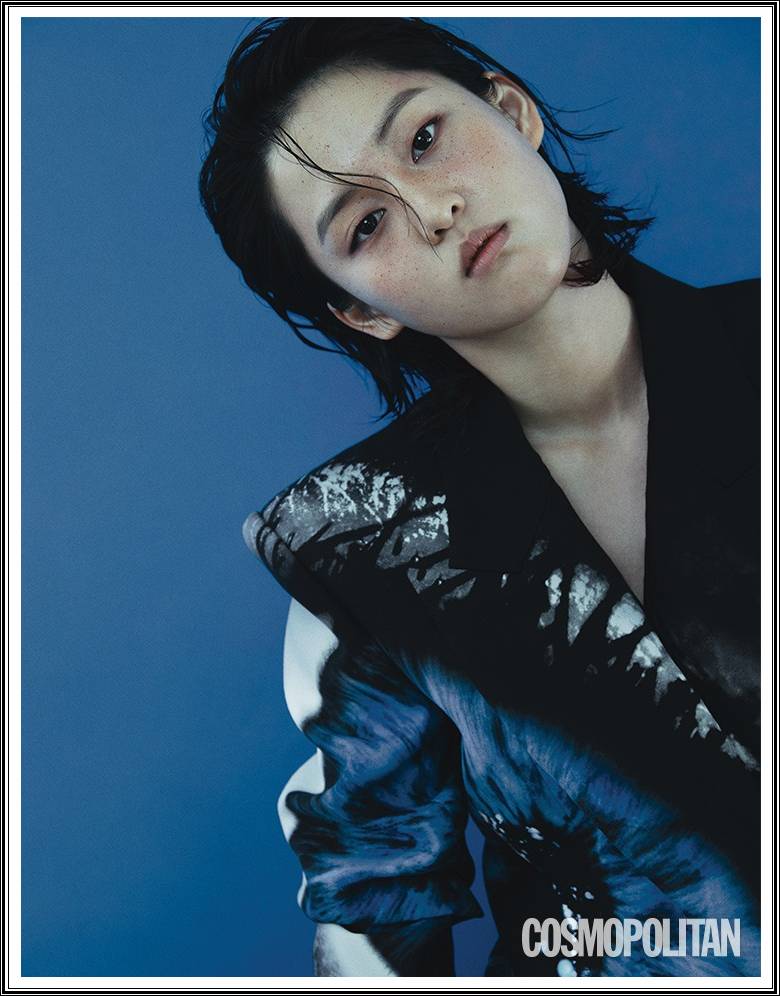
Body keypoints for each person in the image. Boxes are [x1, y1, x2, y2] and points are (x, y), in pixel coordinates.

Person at [199, 17, 760, 977]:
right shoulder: (362, 551)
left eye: (424, 138)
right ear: (360, 309)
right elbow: (376, 920)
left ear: (512, 110)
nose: (434, 209)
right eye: (365, 225)